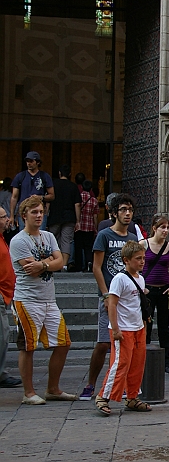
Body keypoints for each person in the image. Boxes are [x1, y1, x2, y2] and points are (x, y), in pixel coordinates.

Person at [9, 196, 77, 404]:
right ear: (24, 216)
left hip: (48, 299)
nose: (39, 216)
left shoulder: (48, 236)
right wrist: (49, 263)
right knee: (28, 346)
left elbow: (60, 261)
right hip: (27, 300)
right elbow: (31, 269)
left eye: (41, 212)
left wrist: (45, 264)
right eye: (34, 212)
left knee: (64, 343)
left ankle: (53, 388)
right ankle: (28, 392)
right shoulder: (19, 241)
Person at [79, 193, 138, 401]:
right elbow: (97, 267)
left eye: (130, 209)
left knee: (125, 344)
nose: (128, 213)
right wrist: (105, 294)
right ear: (114, 213)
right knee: (104, 343)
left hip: (127, 299)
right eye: (123, 209)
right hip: (109, 296)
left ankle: (120, 385)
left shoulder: (132, 238)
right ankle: (91, 383)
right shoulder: (104, 235)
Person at [94, 241, 151, 416]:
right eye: (138, 259)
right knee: (120, 364)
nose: (142, 262)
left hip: (138, 327)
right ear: (126, 260)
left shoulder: (140, 279)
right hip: (123, 328)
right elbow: (112, 305)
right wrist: (116, 329)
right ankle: (103, 396)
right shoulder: (119, 279)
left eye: (143, 258)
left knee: (137, 363)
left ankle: (132, 396)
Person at [140, 215, 169, 373]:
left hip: (164, 289)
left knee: (164, 327)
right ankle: (144, 359)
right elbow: (137, 265)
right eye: (162, 227)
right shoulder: (144, 244)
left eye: (167, 227)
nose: (165, 230)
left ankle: (166, 361)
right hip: (147, 289)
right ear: (154, 228)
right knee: (146, 325)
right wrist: (140, 286)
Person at [0, 206, 22, 388]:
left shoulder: (3, 238)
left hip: (5, 294)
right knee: (2, 335)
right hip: (1, 294)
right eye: (3, 217)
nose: (8, 219)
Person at [47, 165, 82, 270]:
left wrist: (46, 214)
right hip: (69, 216)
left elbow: (48, 201)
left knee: (52, 239)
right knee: (66, 240)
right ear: (70, 174)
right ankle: (64, 265)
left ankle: (53, 262)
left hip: (54, 216)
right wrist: (78, 220)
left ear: (59, 173)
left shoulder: (53, 184)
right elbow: (77, 204)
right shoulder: (73, 186)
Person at [9, 151, 54, 229]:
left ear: (37, 162)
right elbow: (14, 197)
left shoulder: (45, 176)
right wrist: (12, 216)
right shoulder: (20, 176)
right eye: (27, 161)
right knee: (24, 237)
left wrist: (41, 197)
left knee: (39, 237)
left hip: (39, 212)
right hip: (24, 212)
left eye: (31, 161)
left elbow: (52, 196)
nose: (28, 163)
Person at [74, 180, 99, 273]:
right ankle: (89, 262)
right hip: (90, 227)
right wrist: (95, 228)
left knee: (78, 247)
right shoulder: (94, 200)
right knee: (88, 247)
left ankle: (79, 265)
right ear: (91, 189)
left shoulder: (78, 197)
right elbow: (95, 216)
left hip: (79, 226)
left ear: (82, 187)